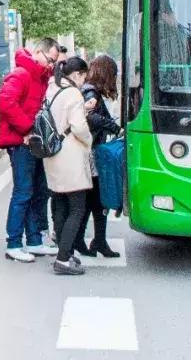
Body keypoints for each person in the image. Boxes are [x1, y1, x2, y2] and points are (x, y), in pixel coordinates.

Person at [0, 37, 59, 263]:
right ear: (39, 53)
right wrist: (27, 129)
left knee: (36, 191)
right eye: (50, 60)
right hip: (20, 142)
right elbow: (5, 102)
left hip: (31, 142)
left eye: (54, 62)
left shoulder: (39, 76)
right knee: (23, 192)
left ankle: (34, 241)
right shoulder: (22, 73)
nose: (51, 65)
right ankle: (13, 243)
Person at [43, 57, 94, 276]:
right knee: (77, 208)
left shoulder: (51, 89)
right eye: (84, 77)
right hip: (70, 155)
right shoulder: (73, 93)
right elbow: (78, 126)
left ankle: (64, 253)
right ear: (76, 75)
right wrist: (89, 140)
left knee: (61, 205)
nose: (84, 82)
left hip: (52, 154)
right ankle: (63, 259)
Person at [76, 55, 122, 259]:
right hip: (91, 153)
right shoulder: (91, 92)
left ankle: (95, 240)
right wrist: (115, 127)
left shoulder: (89, 89)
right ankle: (90, 240)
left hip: (91, 151)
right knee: (95, 197)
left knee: (95, 198)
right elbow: (91, 118)